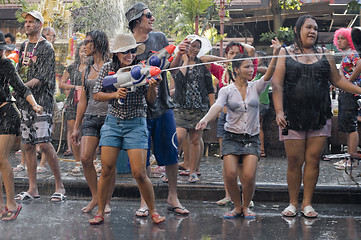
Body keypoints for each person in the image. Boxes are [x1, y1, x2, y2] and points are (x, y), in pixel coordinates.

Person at [272, 15, 361, 218]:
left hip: (320, 115)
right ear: (298, 30)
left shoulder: (325, 54)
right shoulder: (285, 53)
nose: (312, 31)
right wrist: (278, 111)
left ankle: (307, 204)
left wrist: (359, 89)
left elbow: (338, 80)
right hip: (290, 117)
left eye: (315, 28)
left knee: (313, 160)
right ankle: (293, 203)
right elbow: (276, 84)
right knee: (294, 161)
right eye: (308, 27)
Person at [196, 38, 281, 219]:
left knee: (249, 176)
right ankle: (237, 207)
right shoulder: (226, 90)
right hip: (231, 136)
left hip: (251, 138)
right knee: (230, 175)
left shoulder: (256, 87)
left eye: (252, 67)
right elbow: (217, 107)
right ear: (236, 70)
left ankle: (246, 206)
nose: (251, 70)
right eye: (247, 67)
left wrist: (275, 53)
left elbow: (270, 72)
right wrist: (205, 120)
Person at [90, 33, 165, 225]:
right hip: (113, 122)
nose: (129, 54)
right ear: (117, 54)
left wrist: (152, 86)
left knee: (139, 172)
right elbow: (96, 95)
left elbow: (151, 100)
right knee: (106, 169)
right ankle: (100, 211)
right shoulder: (108, 68)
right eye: (125, 52)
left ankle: (153, 210)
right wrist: (115, 94)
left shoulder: (142, 69)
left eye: (132, 51)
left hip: (136, 122)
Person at [125, 2, 190, 216]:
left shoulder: (160, 38)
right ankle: (145, 200)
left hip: (163, 105)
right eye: (148, 15)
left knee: (171, 153)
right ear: (136, 21)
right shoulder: (127, 45)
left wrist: (179, 53)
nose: (152, 19)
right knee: (141, 157)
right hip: (138, 110)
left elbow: (170, 67)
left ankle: (173, 197)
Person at [14, 10, 66, 202]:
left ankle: (60, 186)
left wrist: (20, 87)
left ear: (39, 25)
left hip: (42, 102)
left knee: (44, 143)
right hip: (25, 103)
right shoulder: (24, 46)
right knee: (27, 144)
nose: (27, 25)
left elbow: (43, 77)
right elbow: (20, 71)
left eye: (31, 22)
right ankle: (33, 188)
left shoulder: (47, 47)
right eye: (26, 22)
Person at [200, 41, 256, 206]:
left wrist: (239, 49)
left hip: (246, 121)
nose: (233, 56)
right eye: (230, 53)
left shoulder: (246, 70)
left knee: (244, 163)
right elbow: (203, 58)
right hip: (225, 119)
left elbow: (251, 50)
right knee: (228, 161)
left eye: (236, 53)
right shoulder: (221, 70)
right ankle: (228, 194)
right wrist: (225, 60)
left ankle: (245, 197)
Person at [0, 31, 43, 221]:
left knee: (1, 159)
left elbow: (21, 87)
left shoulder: (6, 64)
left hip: (7, 113)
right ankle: (2, 205)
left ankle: (12, 204)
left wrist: (34, 104)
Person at [71, 30, 114, 213]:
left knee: (107, 164)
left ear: (96, 44)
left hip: (109, 118)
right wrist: (76, 127)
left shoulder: (112, 65)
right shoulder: (86, 69)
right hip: (90, 117)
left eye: (88, 42)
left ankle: (106, 201)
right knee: (85, 158)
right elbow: (83, 100)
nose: (84, 46)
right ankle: (96, 197)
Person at [171, 36, 215, 183]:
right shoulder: (179, 62)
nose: (195, 49)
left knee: (196, 139)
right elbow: (175, 74)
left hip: (199, 108)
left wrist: (212, 108)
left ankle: (193, 171)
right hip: (180, 107)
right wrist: (183, 59)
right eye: (193, 46)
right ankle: (170, 169)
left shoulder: (202, 65)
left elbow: (210, 88)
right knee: (177, 137)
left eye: (197, 47)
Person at [332, 28, 361, 170]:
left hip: (351, 93)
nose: (340, 41)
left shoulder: (352, 53)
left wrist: (348, 82)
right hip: (346, 93)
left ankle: (352, 159)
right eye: (338, 38)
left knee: (351, 126)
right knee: (349, 126)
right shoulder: (346, 55)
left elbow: (360, 64)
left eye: (343, 38)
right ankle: (349, 157)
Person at [59, 42, 87, 173]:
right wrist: (74, 87)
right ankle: (77, 162)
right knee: (74, 132)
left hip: (88, 103)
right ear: (78, 53)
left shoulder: (94, 67)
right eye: (82, 50)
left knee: (87, 132)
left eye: (86, 50)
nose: (84, 53)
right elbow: (61, 84)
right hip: (72, 102)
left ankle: (91, 160)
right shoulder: (72, 68)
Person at [254, 51, 270, 158]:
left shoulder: (264, 70)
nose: (255, 60)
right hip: (259, 102)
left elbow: (268, 71)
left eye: (257, 58)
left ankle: (261, 149)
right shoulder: (256, 72)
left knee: (258, 126)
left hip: (261, 102)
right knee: (259, 126)